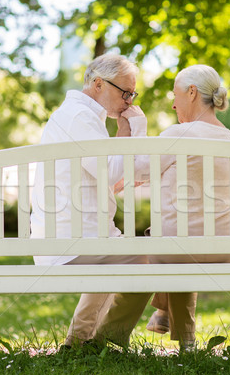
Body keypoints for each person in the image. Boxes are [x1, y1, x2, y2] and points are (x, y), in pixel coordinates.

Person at [93, 64, 230, 351]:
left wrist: (137, 126)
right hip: (226, 248)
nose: (173, 104)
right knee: (182, 241)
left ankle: (107, 338)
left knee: (148, 255)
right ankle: (183, 338)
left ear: (192, 93)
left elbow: (134, 165)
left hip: (180, 248)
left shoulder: (180, 133)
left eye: (176, 95)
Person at [29, 53, 148, 347]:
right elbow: (109, 172)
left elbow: (108, 181)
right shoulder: (80, 117)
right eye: (125, 92)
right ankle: (101, 341)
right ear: (98, 84)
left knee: (124, 255)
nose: (130, 101)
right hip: (70, 241)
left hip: (76, 237)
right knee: (149, 259)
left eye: (132, 94)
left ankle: (79, 343)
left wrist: (124, 143)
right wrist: (136, 131)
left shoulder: (81, 116)